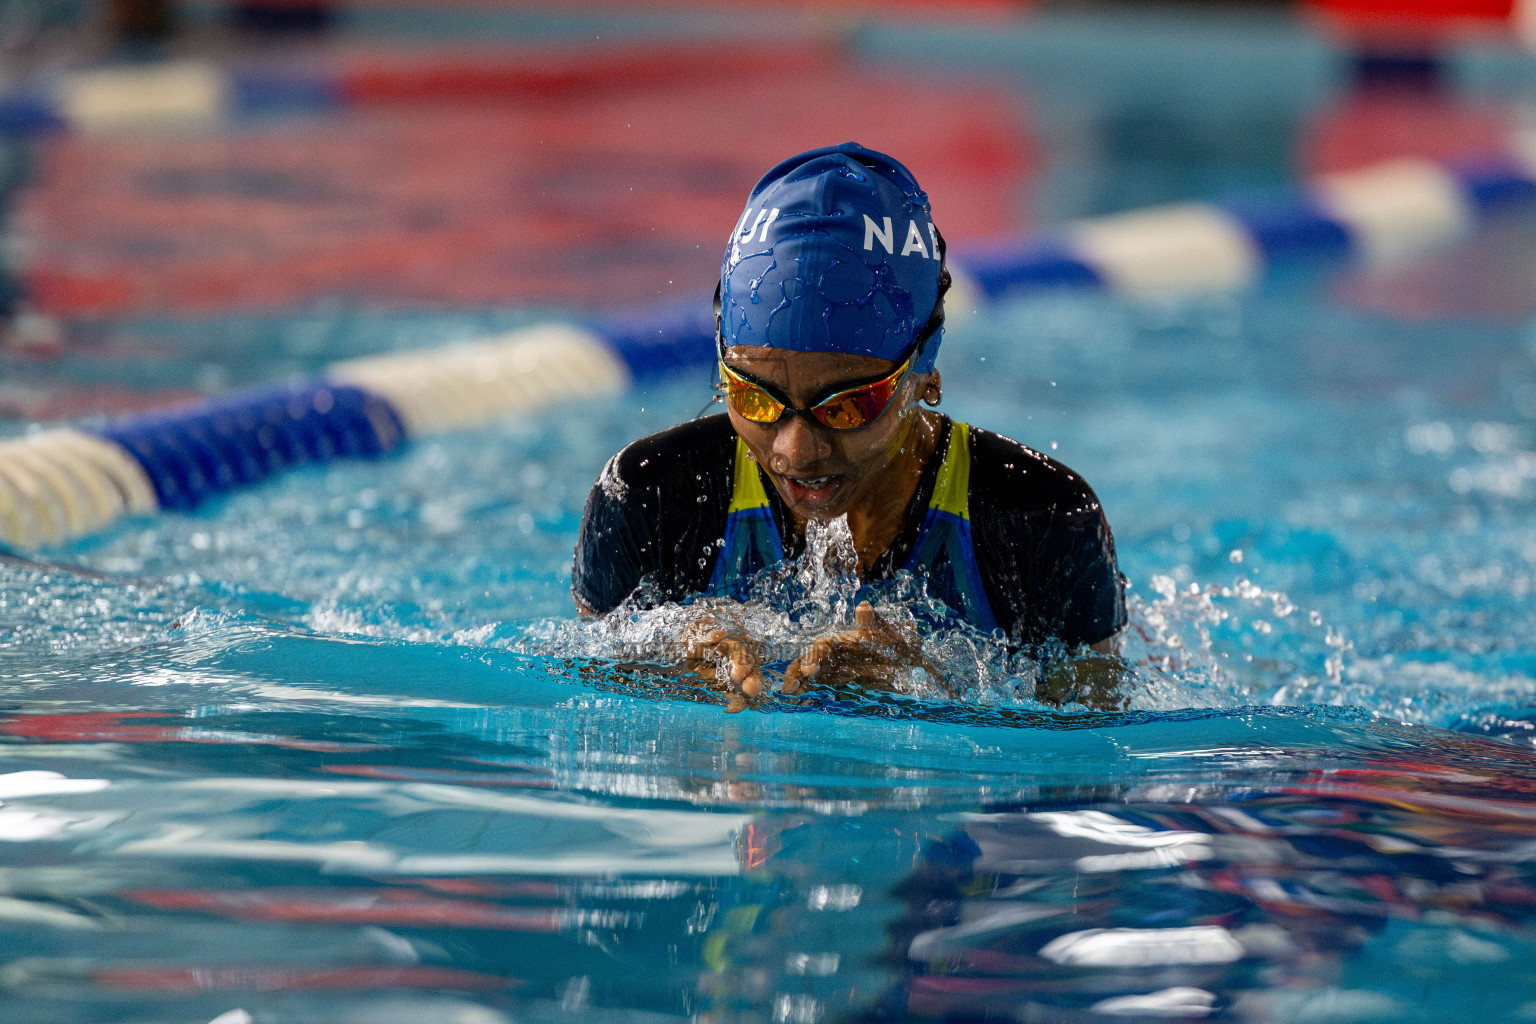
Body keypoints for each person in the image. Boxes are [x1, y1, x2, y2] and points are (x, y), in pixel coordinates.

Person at [573, 142, 1125, 707]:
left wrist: (931, 700)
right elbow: (581, 707)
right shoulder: (645, 499)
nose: (798, 449)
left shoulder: (1042, 521)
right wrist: (655, 675)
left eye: (846, 406)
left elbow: (1090, 752)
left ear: (923, 374)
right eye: (754, 397)